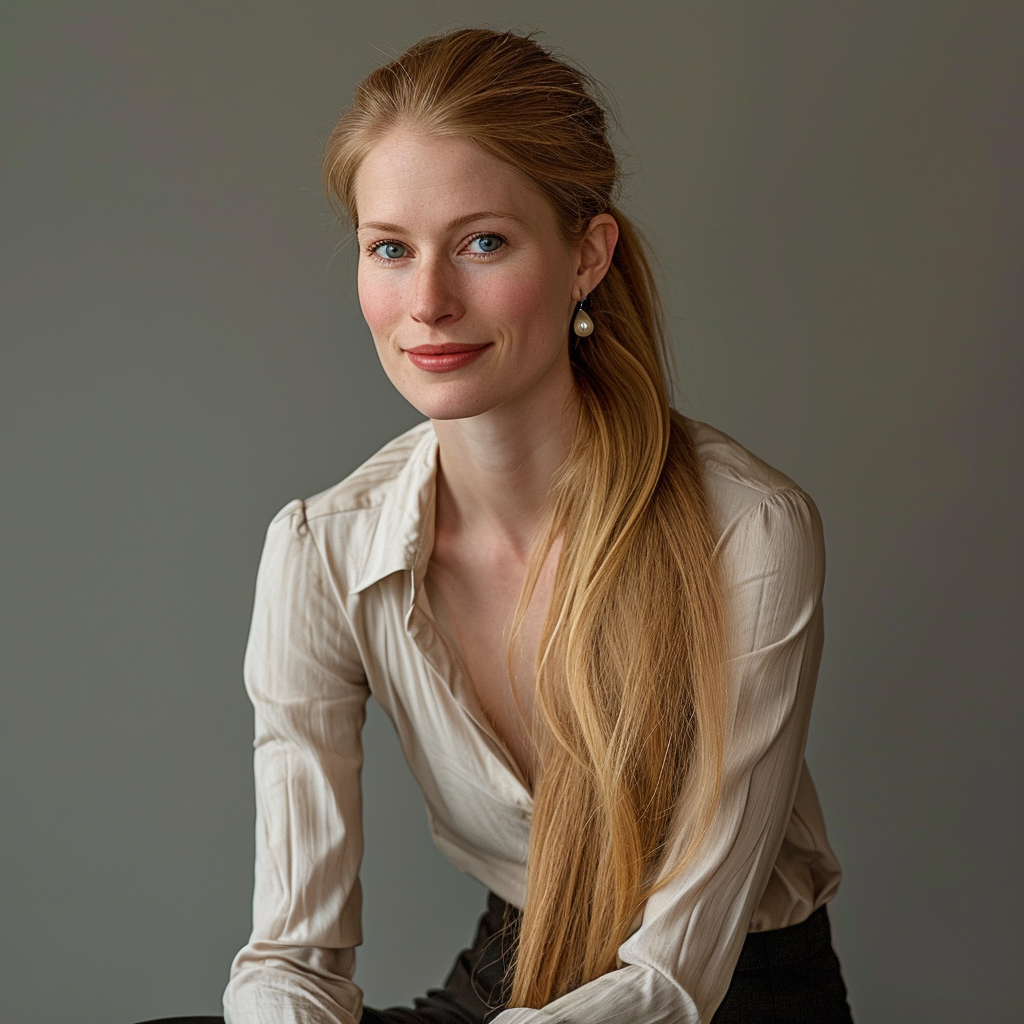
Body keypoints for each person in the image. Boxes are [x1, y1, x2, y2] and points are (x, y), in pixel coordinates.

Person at [140, 26, 854, 1024]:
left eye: (481, 243)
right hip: (511, 972)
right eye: (390, 249)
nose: (426, 302)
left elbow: (672, 979)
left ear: (585, 255)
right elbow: (290, 960)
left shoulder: (748, 530)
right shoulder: (320, 551)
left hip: (725, 996)